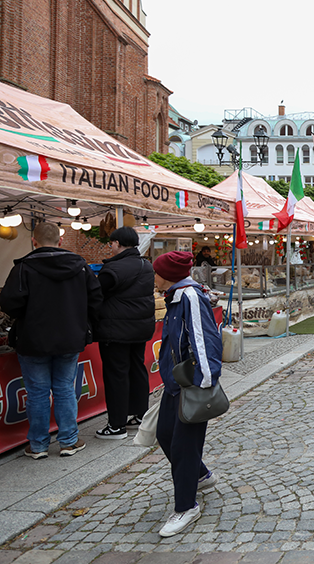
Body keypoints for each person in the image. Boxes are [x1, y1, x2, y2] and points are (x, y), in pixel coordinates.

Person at [0, 221, 102, 459]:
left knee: (37, 392)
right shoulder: (81, 267)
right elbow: (96, 300)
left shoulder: (23, 268)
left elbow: (9, 303)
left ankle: (37, 445)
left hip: (33, 339)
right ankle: (68, 441)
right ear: (60, 241)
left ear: (33, 241)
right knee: (65, 388)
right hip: (69, 336)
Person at [152, 251, 221, 536]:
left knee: (183, 445)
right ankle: (201, 475)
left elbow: (204, 339)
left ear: (166, 274)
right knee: (165, 434)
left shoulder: (190, 297)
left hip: (191, 384)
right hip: (175, 383)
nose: (152, 277)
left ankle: (186, 507)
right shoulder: (177, 296)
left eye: (155, 272)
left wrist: (203, 382)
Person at [95, 227, 156, 439]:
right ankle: (140, 414)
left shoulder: (113, 269)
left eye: (111, 243)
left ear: (118, 243)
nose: (110, 246)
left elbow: (96, 294)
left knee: (116, 376)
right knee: (137, 369)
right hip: (140, 328)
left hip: (116, 330)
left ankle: (116, 425)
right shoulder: (145, 265)